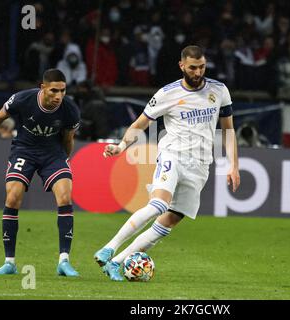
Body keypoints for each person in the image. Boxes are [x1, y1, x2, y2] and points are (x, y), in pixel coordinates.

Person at [93, 45, 240, 281]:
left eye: (202, 66)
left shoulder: (219, 90)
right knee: (159, 205)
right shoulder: (167, 93)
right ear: (182, 66)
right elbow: (139, 124)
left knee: (170, 221)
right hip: (173, 155)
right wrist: (121, 146)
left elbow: (228, 130)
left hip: (201, 165)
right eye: (193, 67)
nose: (198, 72)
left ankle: (116, 263)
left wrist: (234, 165)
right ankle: (109, 247)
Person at [0, 69, 81, 276]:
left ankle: (64, 260)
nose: (59, 96)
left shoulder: (70, 109)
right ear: (43, 88)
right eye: (54, 90)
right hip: (24, 150)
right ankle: (9, 262)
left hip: (53, 154)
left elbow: (68, 139)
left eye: (63, 90)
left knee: (65, 196)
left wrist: (64, 161)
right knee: (13, 196)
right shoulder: (23, 99)